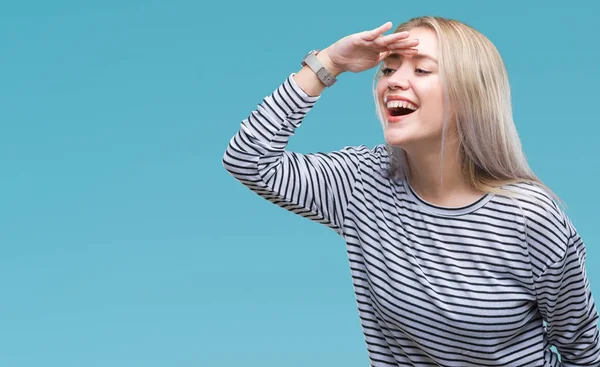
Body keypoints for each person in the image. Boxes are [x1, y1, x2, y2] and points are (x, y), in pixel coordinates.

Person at [222, 16, 600, 366]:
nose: (393, 81)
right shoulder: (361, 184)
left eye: (421, 70)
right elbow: (248, 159)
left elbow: (583, 350)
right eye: (388, 69)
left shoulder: (529, 217)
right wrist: (330, 63)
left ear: (469, 94)